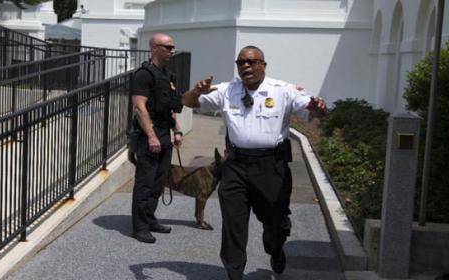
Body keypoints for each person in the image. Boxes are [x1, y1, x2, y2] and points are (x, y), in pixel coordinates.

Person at [182, 46, 326, 279]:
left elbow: (312, 110)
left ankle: (276, 248)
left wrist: (317, 108)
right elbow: (188, 102)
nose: (246, 67)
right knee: (233, 223)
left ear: (263, 65)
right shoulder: (227, 90)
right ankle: (234, 272)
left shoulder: (283, 90)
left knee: (275, 221)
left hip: (271, 166)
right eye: (241, 63)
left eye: (252, 62)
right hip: (236, 166)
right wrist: (196, 91)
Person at [130, 33, 183, 243]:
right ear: (154, 48)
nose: (172, 50)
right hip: (148, 134)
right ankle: (140, 227)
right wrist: (151, 137)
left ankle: (150, 218)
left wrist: (177, 129)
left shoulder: (168, 76)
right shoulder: (144, 74)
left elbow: (170, 107)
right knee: (145, 182)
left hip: (164, 133)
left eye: (173, 47)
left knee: (159, 181)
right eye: (167, 47)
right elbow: (138, 107)